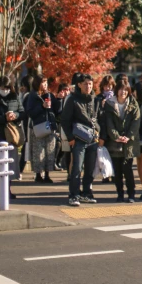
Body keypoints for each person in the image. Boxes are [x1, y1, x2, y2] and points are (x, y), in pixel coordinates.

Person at [61, 73, 100, 207]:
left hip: (93, 139)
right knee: (77, 168)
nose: (88, 86)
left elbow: (97, 117)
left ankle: (87, 193)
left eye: (90, 84)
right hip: (78, 139)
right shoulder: (72, 99)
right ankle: (74, 195)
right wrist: (70, 138)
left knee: (90, 169)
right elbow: (64, 120)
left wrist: (98, 132)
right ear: (79, 85)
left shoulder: (94, 98)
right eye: (85, 84)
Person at [99, 81, 140, 203]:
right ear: (116, 90)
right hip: (114, 142)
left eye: (126, 90)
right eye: (121, 89)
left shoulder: (133, 103)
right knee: (117, 170)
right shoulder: (109, 104)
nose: (124, 92)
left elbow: (136, 121)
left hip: (129, 142)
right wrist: (116, 136)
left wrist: (128, 136)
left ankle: (131, 193)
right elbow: (108, 123)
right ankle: (120, 193)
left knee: (127, 168)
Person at [0, 76, 24, 199]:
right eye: (3, 87)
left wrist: (15, 115)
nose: (5, 90)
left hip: (11, 135)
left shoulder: (15, 98)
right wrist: (3, 118)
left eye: (7, 88)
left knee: (10, 164)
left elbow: (22, 112)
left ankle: (7, 190)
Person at [26, 75, 56, 184]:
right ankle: (38, 174)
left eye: (46, 82)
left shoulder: (50, 95)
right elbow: (29, 112)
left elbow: (57, 110)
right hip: (38, 126)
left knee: (50, 151)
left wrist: (60, 99)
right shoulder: (32, 96)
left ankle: (47, 174)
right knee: (39, 151)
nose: (45, 85)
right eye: (43, 82)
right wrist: (42, 106)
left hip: (50, 126)